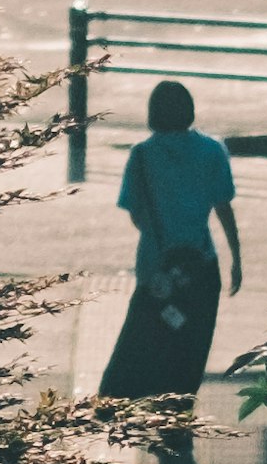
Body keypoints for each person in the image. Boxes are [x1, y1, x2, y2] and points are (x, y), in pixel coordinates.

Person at [97, 75, 241, 398]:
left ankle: (129, 401)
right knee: (193, 342)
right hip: (202, 264)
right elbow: (224, 208)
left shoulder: (142, 155)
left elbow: (136, 214)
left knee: (145, 337)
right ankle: (179, 406)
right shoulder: (212, 151)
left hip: (156, 265)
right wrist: (236, 258)